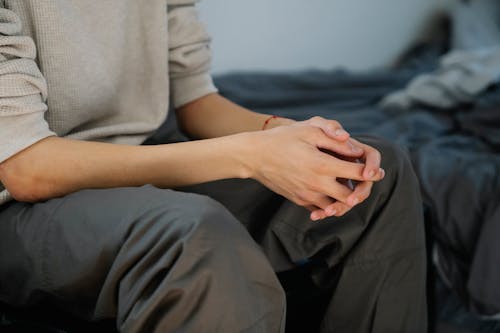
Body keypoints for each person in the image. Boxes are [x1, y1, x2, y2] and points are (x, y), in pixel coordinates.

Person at [0, 1, 427, 332]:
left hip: (146, 156)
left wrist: (295, 138)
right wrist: (251, 155)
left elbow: (196, 101)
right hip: (23, 205)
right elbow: (28, 168)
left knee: (369, 174)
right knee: (194, 234)